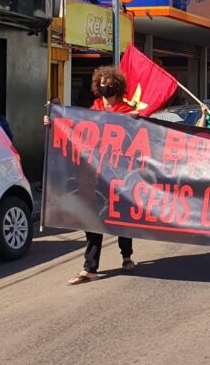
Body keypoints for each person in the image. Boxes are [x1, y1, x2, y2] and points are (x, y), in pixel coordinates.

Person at [46, 66, 139, 285]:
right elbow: (74, 128)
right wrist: (53, 123)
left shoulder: (127, 111)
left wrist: (136, 120)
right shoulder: (91, 110)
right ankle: (90, 267)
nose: (106, 86)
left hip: (118, 174)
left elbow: (137, 137)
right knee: (92, 219)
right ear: (98, 86)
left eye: (110, 83)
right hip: (94, 174)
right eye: (102, 82)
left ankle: (126, 256)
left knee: (121, 217)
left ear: (117, 86)